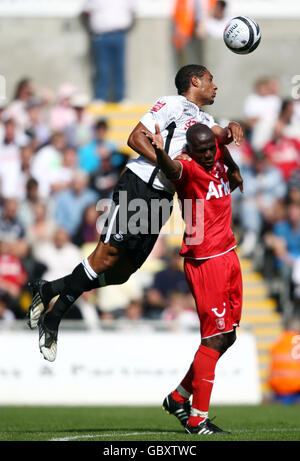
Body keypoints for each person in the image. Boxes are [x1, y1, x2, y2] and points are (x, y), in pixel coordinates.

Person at [26, 64, 243, 363]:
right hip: (139, 185)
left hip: (162, 197)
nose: (215, 86)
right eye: (210, 80)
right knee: (104, 257)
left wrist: (231, 129)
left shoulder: (205, 119)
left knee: (122, 273)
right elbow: (135, 138)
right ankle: (54, 319)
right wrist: (166, 161)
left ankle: (47, 288)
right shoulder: (171, 104)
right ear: (195, 81)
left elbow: (218, 134)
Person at [143, 122, 242, 434]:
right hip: (206, 261)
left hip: (229, 254)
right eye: (203, 152)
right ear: (191, 151)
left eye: (212, 149)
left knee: (229, 336)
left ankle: (178, 397)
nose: (210, 156)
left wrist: (231, 139)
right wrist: (160, 151)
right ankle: (197, 418)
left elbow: (225, 137)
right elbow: (173, 169)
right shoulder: (187, 165)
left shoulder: (217, 152)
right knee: (213, 338)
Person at [81, 0, 136, 103]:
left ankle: (121, 97)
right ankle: (100, 97)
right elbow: (86, 11)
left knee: (119, 66)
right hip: (101, 34)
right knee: (102, 67)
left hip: (120, 33)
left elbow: (133, 10)